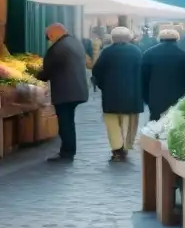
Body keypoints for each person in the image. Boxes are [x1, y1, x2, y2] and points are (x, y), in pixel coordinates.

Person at [36, 23, 89, 163]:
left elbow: (46, 72)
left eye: (48, 37)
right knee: (69, 122)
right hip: (77, 89)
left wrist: (34, 75)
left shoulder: (57, 49)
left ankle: (67, 152)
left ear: (52, 35)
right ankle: (69, 150)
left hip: (65, 92)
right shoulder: (74, 42)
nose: (49, 40)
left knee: (65, 123)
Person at [92, 26, 145, 162]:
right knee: (128, 120)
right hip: (132, 93)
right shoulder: (137, 51)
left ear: (113, 38)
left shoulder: (107, 52)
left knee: (112, 121)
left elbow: (96, 71)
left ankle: (117, 148)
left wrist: (103, 85)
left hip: (111, 93)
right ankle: (126, 146)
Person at [142, 29, 185, 121]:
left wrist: (148, 99)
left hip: (156, 100)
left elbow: (142, 80)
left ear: (159, 39)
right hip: (178, 101)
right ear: (177, 40)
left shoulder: (148, 54)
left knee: (155, 129)